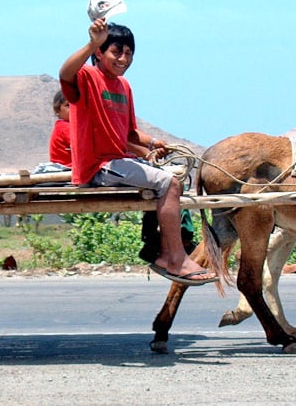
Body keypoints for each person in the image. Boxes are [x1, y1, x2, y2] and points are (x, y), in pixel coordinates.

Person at [58, 18, 217, 286]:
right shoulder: (88, 77)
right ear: (100, 52)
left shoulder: (124, 86)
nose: (123, 58)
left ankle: (161, 249)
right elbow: (64, 73)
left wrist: (154, 144)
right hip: (99, 166)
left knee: (167, 176)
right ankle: (175, 258)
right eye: (116, 51)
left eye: (129, 53)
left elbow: (129, 134)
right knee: (169, 182)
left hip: (119, 162)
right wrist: (91, 43)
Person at [49, 90, 72, 167]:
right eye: (68, 105)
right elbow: (80, 147)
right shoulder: (65, 127)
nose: (74, 108)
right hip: (68, 167)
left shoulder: (62, 126)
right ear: (57, 110)